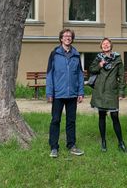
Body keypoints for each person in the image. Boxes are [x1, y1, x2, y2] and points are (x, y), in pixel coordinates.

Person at [46, 28, 85, 158]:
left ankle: (71, 145)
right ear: (61, 39)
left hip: (72, 94)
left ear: (72, 39)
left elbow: (80, 74)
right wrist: (49, 93)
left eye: (70, 36)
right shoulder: (54, 54)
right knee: (55, 120)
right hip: (58, 94)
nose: (68, 38)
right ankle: (54, 147)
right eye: (65, 36)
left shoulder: (76, 54)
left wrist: (81, 92)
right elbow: (50, 74)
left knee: (71, 121)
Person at [89, 38, 127, 153]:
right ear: (101, 46)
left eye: (107, 43)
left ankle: (121, 143)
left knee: (115, 117)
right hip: (100, 91)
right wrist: (99, 66)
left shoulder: (117, 58)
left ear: (111, 45)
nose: (105, 45)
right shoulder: (98, 58)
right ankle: (103, 142)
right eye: (103, 44)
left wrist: (121, 92)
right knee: (102, 116)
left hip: (112, 92)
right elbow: (91, 70)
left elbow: (121, 76)